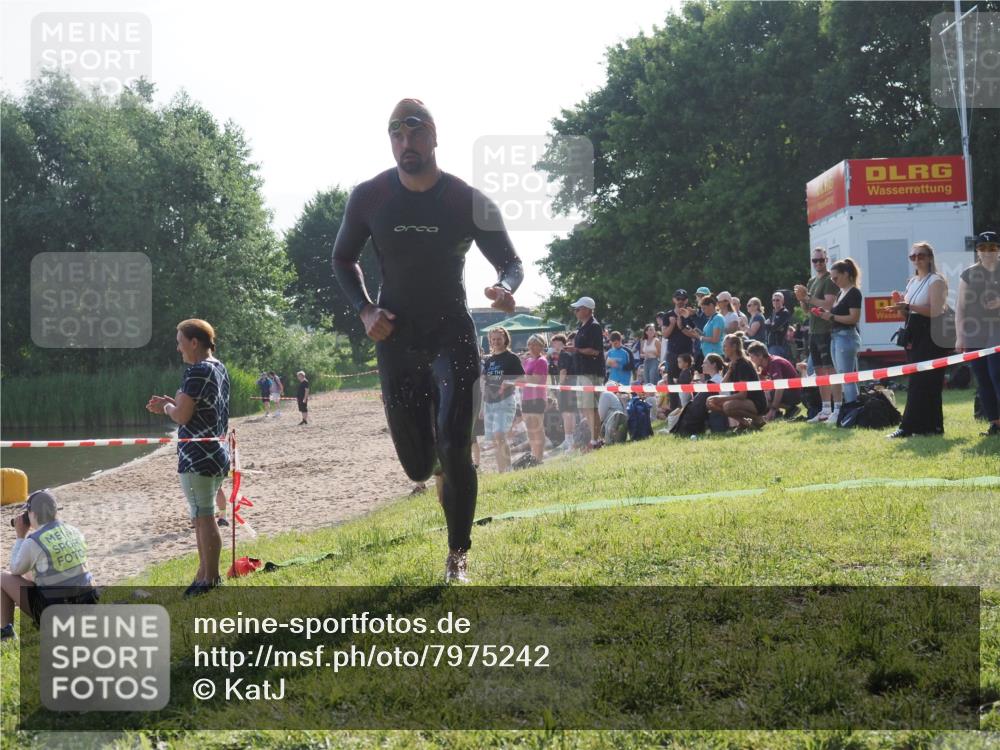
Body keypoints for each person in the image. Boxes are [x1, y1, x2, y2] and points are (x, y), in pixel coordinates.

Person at [332, 99, 522, 583]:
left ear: (434, 136)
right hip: (395, 337)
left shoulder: (465, 199)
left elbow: (511, 263)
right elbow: (342, 259)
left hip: (451, 334)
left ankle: (458, 555)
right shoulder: (370, 197)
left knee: (456, 443)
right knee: (419, 466)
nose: (405, 143)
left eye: (414, 132)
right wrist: (365, 309)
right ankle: (438, 470)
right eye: (395, 134)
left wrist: (505, 288)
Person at [147, 319, 230, 596]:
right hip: (217, 453)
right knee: (201, 515)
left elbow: (182, 415)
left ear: (194, 342)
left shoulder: (196, 371)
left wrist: (169, 406)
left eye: (180, 341)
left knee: (203, 517)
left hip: (198, 457)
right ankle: (203, 575)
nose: (178, 347)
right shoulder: (218, 368)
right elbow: (199, 408)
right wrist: (176, 402)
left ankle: (210, 579)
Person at [1, 490, 98, 642]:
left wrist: (20, 536)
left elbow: (15, 569)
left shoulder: (33, 541)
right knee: (35, 575)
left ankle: (7, 636)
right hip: (89, 605)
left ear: (32, 514)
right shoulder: (74, 531)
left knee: (2, 578)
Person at [886, 242, 949, 438]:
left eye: (921, 256)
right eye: (913, 257)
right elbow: (908, 313)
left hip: (931, 335)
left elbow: (936, 311)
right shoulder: (912, 282)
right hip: (915, 333)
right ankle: (929, 427)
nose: (917, 260)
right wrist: (901, 307)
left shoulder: (936, 280)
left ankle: (909, 427)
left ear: (929, 258)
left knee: (924, 381)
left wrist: (909, 305)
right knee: (918, 380)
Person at [956, 230, 1000, 437]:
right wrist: (959, 336)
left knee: (996, 374)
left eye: (992, 248)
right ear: (977, 251)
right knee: (983, 379)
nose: (987, 252)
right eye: (983, 248)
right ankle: (995, 423)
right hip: (975, 333)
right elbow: (961, 307)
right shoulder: (969, 273)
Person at [795, 247, 841, 423]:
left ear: (827, 260)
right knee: (820, 371)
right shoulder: (812, 281)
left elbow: (828, 305)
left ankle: (837, 409)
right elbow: (807, 310)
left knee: (831, 370)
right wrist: (802, 298)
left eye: (821, 260)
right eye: (815, 261)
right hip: (814, 331)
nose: (818, 264)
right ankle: (825, 409)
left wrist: (807, 297)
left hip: (826, 330)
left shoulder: (830, 279)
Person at [816, 258, 863, 424]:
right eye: (832, 279)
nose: (834, 281)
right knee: (843, 377)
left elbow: (854, 318)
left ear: (846, 274)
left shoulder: (854, 293)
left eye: (836, 278)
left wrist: (832, 316)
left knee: (846, 378)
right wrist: (825, 314)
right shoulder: (840, 293)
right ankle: (850, 412)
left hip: (846, 337)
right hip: (836, 336)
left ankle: (852, 413)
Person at [564, 296, 604, 448]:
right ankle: (596, 438)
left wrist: (576, 350)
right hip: (582, 371)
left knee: (591, 407)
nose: (576, 311)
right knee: (585, 407)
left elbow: (595, 351)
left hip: (591, 372)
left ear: (587, 310)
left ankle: (596, 440)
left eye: (578, 309)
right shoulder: (582, 326)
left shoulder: (594, 326)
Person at [483, 327, 524, 473]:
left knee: (500, 434)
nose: (496, 342)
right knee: (495, 439)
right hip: (489, 402)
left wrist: (508, 383)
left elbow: (522, 377)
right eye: (493, 339)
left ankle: (508, 468)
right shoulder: (489, 361)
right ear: (490, 341)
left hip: (505, 401)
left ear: (505, 339)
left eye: (499, 339)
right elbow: (485, 382)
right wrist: (482, 407)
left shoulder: (511, 358)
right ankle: (502, 470)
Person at [707, 334, 768, 431]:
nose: (723, 349)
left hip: (756, 402)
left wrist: (723, 400)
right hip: (741, 401)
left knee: (727, 406)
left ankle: (757, 419)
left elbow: (742, 395)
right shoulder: (732, 365)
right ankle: (744, 423)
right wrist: (729, 372)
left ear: (734, 347)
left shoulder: (743, 364)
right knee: (710, 402)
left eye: (725, 346)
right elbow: (721, 387)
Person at [747, 341, 801, 421]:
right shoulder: (767, 362)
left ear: (760, 356)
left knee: (765, 395)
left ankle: (791, 409)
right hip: (791, 391)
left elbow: (780, 387)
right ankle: (778, 413)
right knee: (762, 393)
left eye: (752, 357)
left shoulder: (774, 363)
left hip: (795, 393)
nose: (751, 360)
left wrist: (773, 409)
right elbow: (761, 378)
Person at [521, 335, 549, 463]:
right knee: (530, 429)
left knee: (537, 428)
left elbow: (535, 379)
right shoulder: (527, 361)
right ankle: (533, 456)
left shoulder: (542, 361)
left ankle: (539, 458)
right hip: (526, 397)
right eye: (530, 344)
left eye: (535, 344)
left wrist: (520, 379)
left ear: (541, 346)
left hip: (537, 397)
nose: (531, 347)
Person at [550, 333, 577, 453]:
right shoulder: (558, 356)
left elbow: (563, 371)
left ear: (562, 343)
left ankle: (570, 439)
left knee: (567, 413)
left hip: (567, 386)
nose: (554, 345)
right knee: (567, 413)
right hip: (567, 386)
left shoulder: (564, 354)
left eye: (557, 342)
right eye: (553, 343)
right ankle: (569, 438)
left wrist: (560, 386)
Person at [765, 291, 792, 358]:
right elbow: (768, 326)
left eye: (777, 300)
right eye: (773, 300)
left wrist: (769, 325)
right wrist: (770, 325)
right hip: (770, 344)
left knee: (774, 366)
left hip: (778, 345)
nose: (775, 302)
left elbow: (774, 328)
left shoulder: (784, 313)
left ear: (782, 301)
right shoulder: (773, 312)